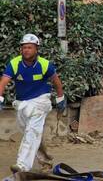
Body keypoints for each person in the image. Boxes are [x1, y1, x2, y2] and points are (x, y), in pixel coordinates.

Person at [0, 34, 66, 173]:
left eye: (30, 47)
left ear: (36, 49)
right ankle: (46, 160)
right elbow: (3, 82)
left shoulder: (45, 64)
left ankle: (22, 165)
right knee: (32, 133)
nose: (26, 50)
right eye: (24, 47)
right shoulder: (14, 64)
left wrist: (60, 98)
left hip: (41, 101)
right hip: (22, 103)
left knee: (32, 132)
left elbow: (56, 81)